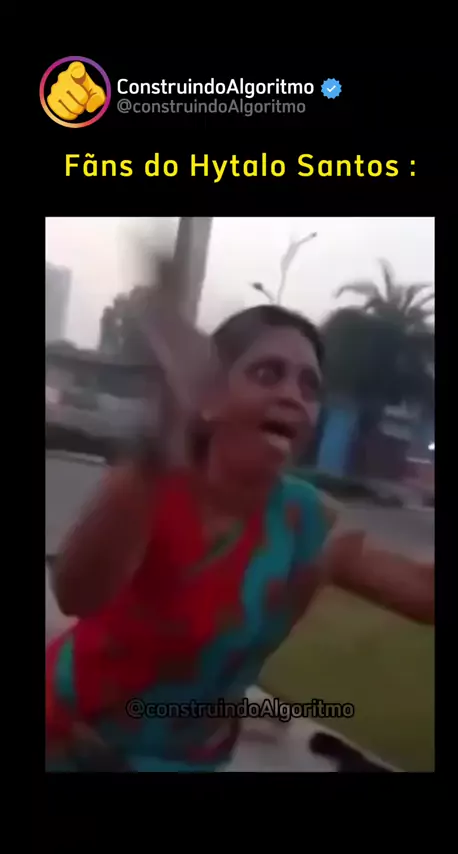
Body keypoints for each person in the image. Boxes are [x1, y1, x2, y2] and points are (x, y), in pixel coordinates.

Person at [46, 305, 434, 771]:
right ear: (209, 398)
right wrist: (157, 446)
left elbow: (424, 593)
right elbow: (76, 594)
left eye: (309, 386)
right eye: (268, 374)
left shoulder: (311, 524)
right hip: (71, 740)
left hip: (191, 760)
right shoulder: (151, 483)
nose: (292, 395)